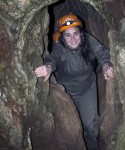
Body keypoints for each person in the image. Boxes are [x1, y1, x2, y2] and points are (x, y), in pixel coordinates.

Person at [35, 14, 113, 150]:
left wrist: (106, 65)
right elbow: (53, 58)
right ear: (62, 37)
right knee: (71, 128)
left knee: (91, 125)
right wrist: (48, 67)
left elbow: (102, 53)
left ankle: (93, 145)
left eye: (75, 33)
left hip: (88, 88)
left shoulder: (88, 40)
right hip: (67, 91)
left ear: (81, 33)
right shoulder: (60, 48)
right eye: (68, 35)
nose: (73, 39)